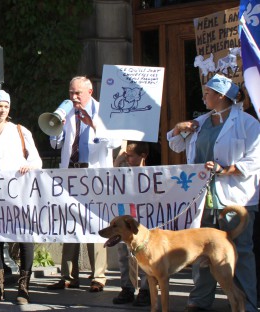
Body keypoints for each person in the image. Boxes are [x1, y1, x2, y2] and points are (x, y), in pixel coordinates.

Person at [167, 74, 260, 312]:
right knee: (201, 250)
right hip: (203, 197)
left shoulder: (248, 123)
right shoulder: (201, 122)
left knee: (240, 250)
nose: (203, 96)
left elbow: (255, 159)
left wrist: (225, 169)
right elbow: (176, 145)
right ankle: (200, 300)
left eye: (207, 93)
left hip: (234, 197)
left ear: (221, 96)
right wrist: (179, 128)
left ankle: (246, 303)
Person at [48, 76, 121, 292]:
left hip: (94, 174)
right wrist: (57, 129)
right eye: (71, 92)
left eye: (78, 92)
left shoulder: (103, 111)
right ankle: (68, 276)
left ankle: (98, 276)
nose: (74, 97)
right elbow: (55, 144)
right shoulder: (66, 111)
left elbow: (115, 141)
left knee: (96, 224)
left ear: (90, 91)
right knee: (70, 222)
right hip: (71, 171)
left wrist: (94, 125)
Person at [0, 90, 42, 305]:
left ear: (9, 108)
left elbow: (37, 161)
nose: (1, 110)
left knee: (24, 239)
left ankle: (24, 288)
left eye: (5, 106)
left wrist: (28, 165)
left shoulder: (20, 131)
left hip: (19, 193)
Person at [111, 141, 151, 307]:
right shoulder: (121, 172)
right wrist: (117, 163)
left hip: (142, 222)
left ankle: (146, 290)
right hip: (124, 219)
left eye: (130, 155)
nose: (127, 158)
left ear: (142, 156)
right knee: (123, 254)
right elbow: (108, 180)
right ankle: (127, 288)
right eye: (125, 155)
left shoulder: (150, 173)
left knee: (144, 255)